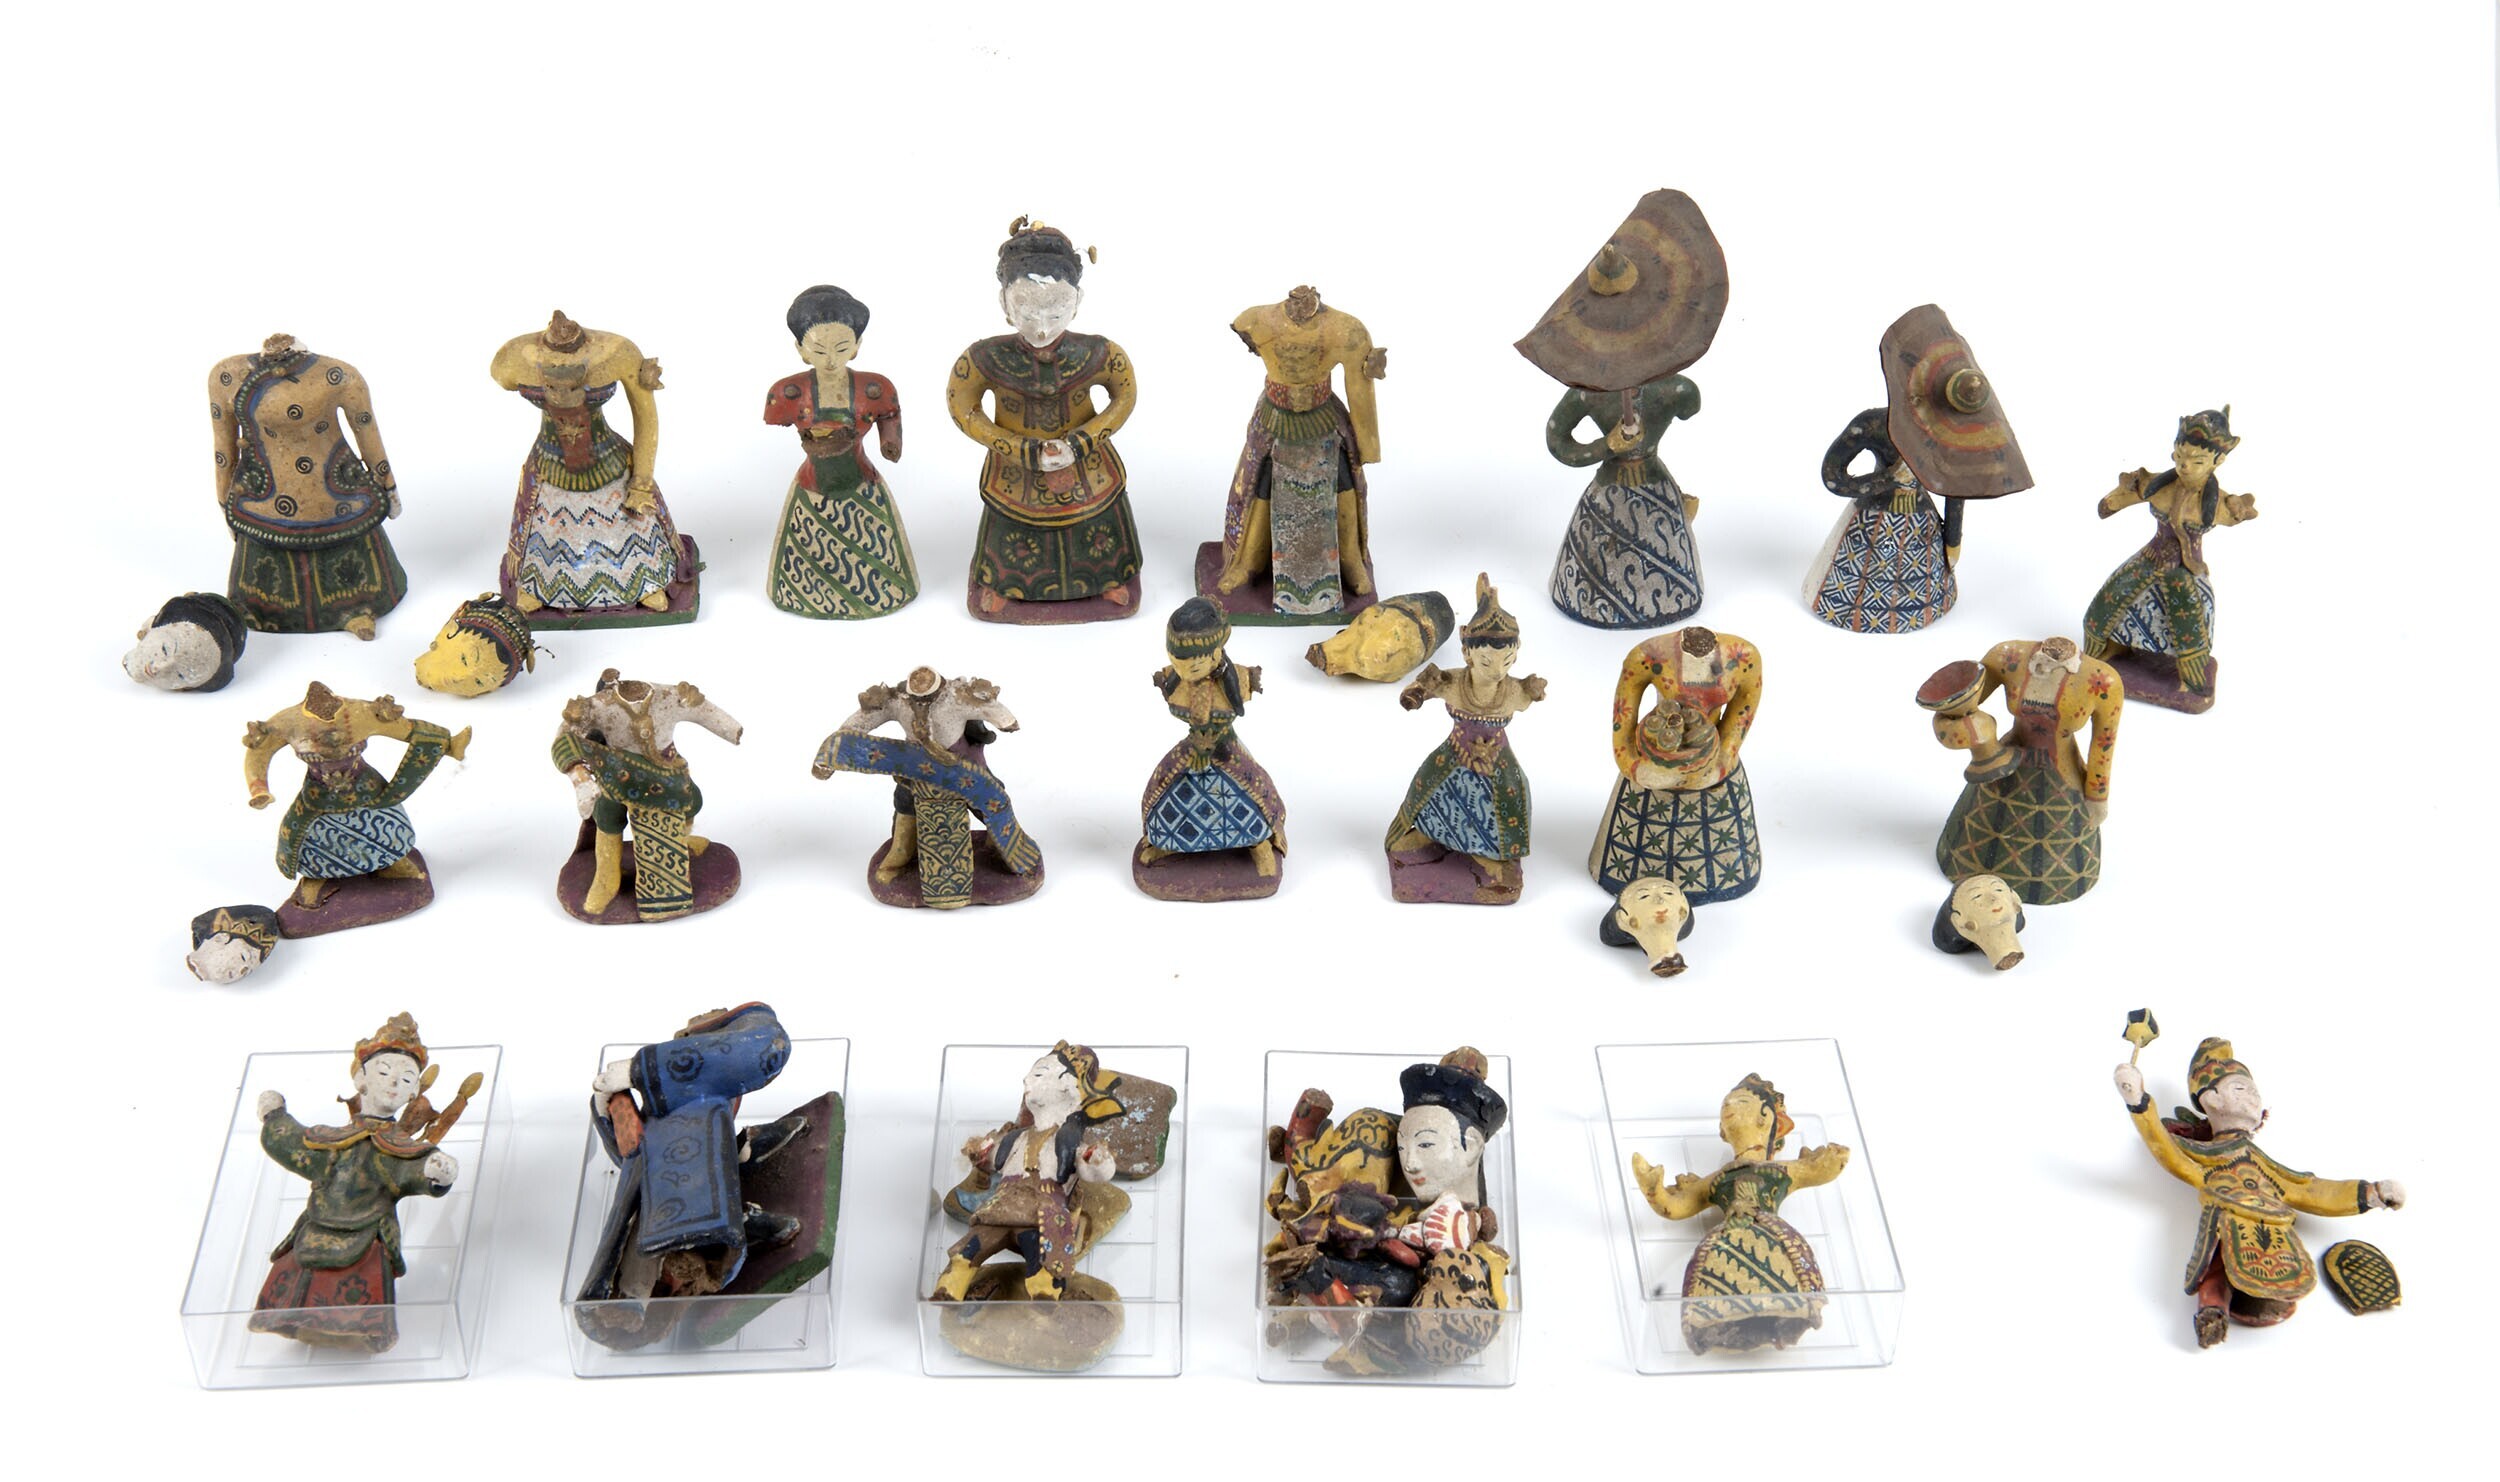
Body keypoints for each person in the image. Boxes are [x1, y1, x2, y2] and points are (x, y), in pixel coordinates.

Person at [2115, 1036, 2404, 1347]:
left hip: (2276, 1231)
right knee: (2217, 1263)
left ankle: (2250, 1302)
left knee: (2262, 1262)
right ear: (2212, 1099)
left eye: (2254, 1091)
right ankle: (2212, 1312)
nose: (2253, 1097)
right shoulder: (2205, 1157)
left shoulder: (2262, 1163)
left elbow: (2307, 1188)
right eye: (2241, 1089)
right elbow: (2170, 1154)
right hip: (2228, 1220)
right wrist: (2138, 1101)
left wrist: (2370, 1193)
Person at [946, 220, 1141, 621]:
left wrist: (1082, 442)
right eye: (1027, 312)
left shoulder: (1100, 353)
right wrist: (1015, 447)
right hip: (1016, 467)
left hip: (1085, 463)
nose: (1041, 328)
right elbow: (961, 406)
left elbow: (1125, 395)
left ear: (1077, 302)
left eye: (1055, 313)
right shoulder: (982, 358)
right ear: (1004, 304)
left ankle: (1109, 578)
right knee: (1013, 520)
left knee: (1095, 514)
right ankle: (1001, 583)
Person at [250, 1013, 460, 1351]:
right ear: (360, 1078)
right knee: (299, 1272)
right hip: (316, 1227)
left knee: (363, 1281)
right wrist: (275, 1117)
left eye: (406, 1079)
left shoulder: (400, 1149)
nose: (394, 1083)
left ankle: (357, 1329)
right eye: (383, 1072)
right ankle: (290, 1320)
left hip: (368, 1234)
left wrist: (436, 1172)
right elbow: (296, 1145)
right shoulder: (330, 1140)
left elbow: (412, 1170)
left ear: (414, 1092)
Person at [1632, 1073, 1849, 1354]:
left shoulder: (1781, 1171)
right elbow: (1677, 1206)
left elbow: (1818, 1170)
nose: (1729, 1108)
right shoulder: (1718, 1178)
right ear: (1722, 1131)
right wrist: (1653, 1191)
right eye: (1725, 1106)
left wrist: (1833, 1158)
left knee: (1787, 1268)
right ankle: (1713, 1321)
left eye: (1741, 1102)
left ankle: (1790, 1310)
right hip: (1729, 1239)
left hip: (1769, 1237)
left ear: (1765, 1117)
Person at [208, 334, 406, 638]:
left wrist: (386, 483)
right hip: (266, 497)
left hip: (333, 494)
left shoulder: (337, 375)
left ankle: (358, 607)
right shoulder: (227, 375)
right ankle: (259, 610)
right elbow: (224, 448)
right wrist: (388, 486)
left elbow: (367, 431)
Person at [491, 311, 685, 619]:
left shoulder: (618, 351)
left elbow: (646, 416)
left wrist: (641, 482)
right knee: (547, 530)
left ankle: (644, 583)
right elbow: (503, 376)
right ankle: (537, 586)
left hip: (608, 461)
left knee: (630, 526)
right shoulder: (516, 354)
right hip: (549, 462)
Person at [1209, 285, 1385, 617]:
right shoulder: (1255, 319)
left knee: (1343, 482)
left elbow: (1359, 384)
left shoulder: (1345, 329)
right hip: (1274, 417)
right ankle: (1247, 563)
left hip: (1324, 419)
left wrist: (1367, 446)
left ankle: (1351, 560)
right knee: (1259, 486)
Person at [2083, 408, 2258, 709]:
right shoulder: (2157, 485)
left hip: (2186, 571)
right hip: (2151, 557)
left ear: (2218, 461)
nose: (2185, 466)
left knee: (2189, 619)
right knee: (2110, 599)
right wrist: (2113, 502)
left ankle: (2189, 677)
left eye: (2197, 461)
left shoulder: (2218, 503)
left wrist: (2241, 510)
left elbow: (2241, 513)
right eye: (2179, 457)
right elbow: (2120, 498)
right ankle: (2104, 651)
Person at [1385, 576, 1545, 902]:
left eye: (1507, 661)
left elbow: (1529, 694)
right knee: (1428, 788)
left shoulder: (1513, 689)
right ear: (1467, 653)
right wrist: (1415, 695)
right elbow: (1424, 686)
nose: (1497, 670)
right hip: (1456, 755)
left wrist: (1534, 690)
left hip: (1496, 761)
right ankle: (1427, 835)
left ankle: (1493, 855)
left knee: (1510, 797)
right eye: (1487, 661)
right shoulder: (1455, 681)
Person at [762, 285, 917, 618]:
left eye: (842, 348)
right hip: (812, 487)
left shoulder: (874, 388)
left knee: (874, 549)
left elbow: (890, 413)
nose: (831, 360)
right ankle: (805, 595)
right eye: (819, 350)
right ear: (801, 350)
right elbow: (773, 418)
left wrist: (890, 442)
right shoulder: (789, 392)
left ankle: (878, 592)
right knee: (808, 547)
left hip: (862, 485)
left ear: (857, 346)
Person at [1931, 637, 2121, 905]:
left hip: (2061, 776)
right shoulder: (2008, 656)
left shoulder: (2103, 680)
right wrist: (1962, 729)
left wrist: (2097, 796)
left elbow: (2103, 744)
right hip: (2008, 762)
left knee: (2059, 853)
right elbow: (1963, 700)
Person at [932, 1043, 1126, 1302]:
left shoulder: (1069, 1143)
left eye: (1039, 1074)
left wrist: (1098, 1162)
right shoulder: (1016, 1138)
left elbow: (1093, 1172)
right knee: (969, 1249)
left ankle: (1044, 1296)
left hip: (1041, 1214)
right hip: (999, 1211)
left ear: (1067, 1085)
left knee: (1042, 1257)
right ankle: (949, 1288)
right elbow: (992, 1160)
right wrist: (980, 1153)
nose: (1026, 1080)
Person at [1137, 599, 1286, 891]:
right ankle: (1165, 842)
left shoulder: (1236, 679)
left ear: (1216, 654)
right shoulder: (1177, 680)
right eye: (1176, 662)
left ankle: (1259, 846)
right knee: (1161, 793)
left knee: (1253, 794)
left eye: (1192, 665)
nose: (1182, 671)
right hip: (1191, 750)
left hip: (1224, 750)